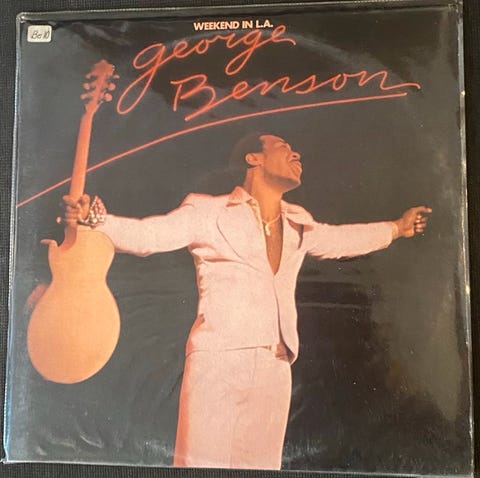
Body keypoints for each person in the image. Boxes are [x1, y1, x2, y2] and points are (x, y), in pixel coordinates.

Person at [63, 133, 431, 470]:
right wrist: (97, 220)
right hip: (219, 359)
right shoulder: (207, 211)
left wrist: (397, 228)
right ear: (254, 158)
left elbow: (340, 240)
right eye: (284, 147)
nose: (296, 153)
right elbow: (150, 235)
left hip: (275, 364)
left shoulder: (298, 221)